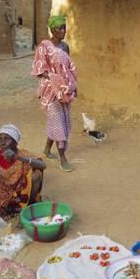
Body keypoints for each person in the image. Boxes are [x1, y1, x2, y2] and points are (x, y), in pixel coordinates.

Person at [0, 119, 46, 219]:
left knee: (36, 174)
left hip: (21, 195)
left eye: (6, 139)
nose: (2, 142)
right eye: (0, 139)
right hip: (2, 195)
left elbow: (42, 165)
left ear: (15, 142)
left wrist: (18, 157)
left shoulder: (23, 155)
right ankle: (0, 207)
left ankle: (26, 208)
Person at [31, 15, 78, 172]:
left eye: (65, 27)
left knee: (59, 121)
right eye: (59, 28)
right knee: (58, 122)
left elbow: (69, 69)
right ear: (52, 30)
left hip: (63, 91)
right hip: (50, 91)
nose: (63, 31)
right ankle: (63, 158)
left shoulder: (65, 47)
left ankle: (46, 150)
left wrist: (72, 85)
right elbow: (38, 71)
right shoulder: (44, 46)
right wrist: (52, 77)